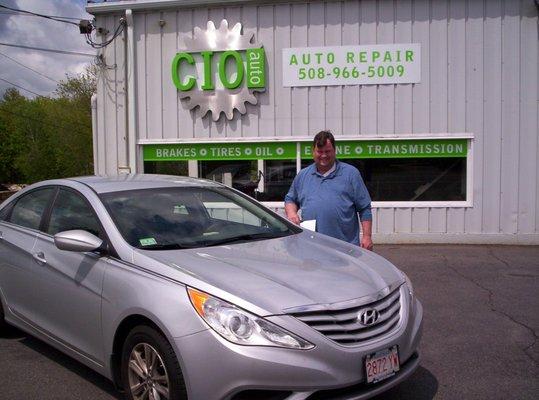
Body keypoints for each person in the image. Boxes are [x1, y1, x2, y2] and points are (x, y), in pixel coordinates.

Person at [284, 131, 373, 250]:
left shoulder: (351, 174)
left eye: (327, 151)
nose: (324, 155)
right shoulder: (303, 175)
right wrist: (291, 213)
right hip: (312, 247)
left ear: (334, 151)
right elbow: (290, 199)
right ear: (313, 152)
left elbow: (364, 208)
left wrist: (367, 236)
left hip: (345, 248)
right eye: (320, 152)